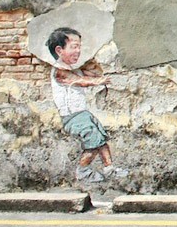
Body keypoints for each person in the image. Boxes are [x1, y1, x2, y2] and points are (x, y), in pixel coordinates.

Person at [46, 27, 128, 183]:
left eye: (79, 47)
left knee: (101, 139)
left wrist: (90, 64)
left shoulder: (75, 68)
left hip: (82, 114)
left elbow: (95, 73)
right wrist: (96, 81)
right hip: (72, 117)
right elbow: (80, 81)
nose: (78, 51)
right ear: (59, 50)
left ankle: (109, 168)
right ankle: (82, 171)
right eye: (74, 47)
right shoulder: (58, 70)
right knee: (93, 142)